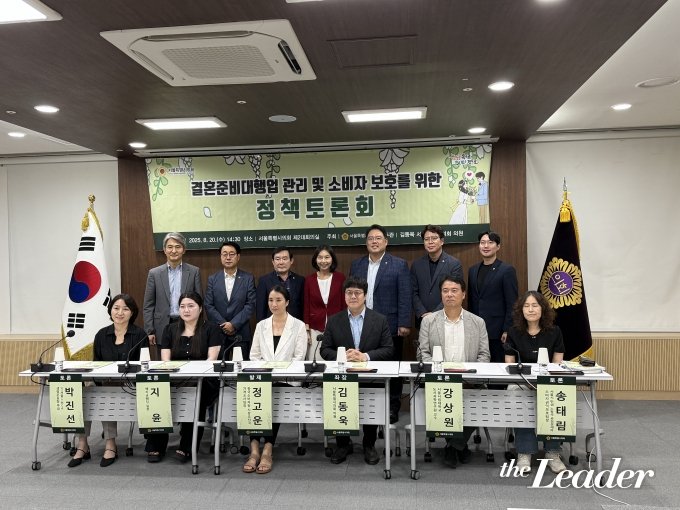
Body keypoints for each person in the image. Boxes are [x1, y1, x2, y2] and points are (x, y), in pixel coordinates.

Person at [68, 294, 148, 468]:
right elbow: (96, 364)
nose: (120, 312)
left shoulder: (139, 334)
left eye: (125, 309)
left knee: (105, 393)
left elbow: (144, 364)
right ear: (110, 310)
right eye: (116, 308)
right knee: (84, 391)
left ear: (132, 312)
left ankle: (110, 444)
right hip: (104, 381)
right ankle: (82, 443)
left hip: (129, 385)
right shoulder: (102, 335)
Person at [418, 276, 490, 468]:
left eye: (454, 290)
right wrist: (439, 373)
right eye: (445, 291)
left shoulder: (478, 322)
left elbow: (484, 355)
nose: (449, 294)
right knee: (444, 398)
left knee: (477, 403)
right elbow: (422, 353)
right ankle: (459, 446)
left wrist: (470, 375)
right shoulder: (429, 321)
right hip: (439, 380)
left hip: (469, 382)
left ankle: (453, 446)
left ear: (463, 294)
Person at [320, 277, 393, 465]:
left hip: (370, 377)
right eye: (349, 293)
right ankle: (343, 444)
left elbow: (388, 349)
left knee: (371, 404)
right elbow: (325, 350)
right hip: (343, 377)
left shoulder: (379, 320)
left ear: (365, 296)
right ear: (344, 296)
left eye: (357, 293)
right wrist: (342, 356)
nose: (353, 296)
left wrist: (365, 356)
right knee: (340, 401)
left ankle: (369, 444)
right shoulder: (334, 320)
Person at [145, 292, 222, 463]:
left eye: (191, 306)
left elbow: (211, 360)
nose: (186, 310)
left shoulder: (211, 329)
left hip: (203, 380)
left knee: (197, 394)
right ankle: (156, 444)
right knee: (156, 389)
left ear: (200, 309)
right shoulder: (170, 329)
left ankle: (188, 446)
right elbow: (165, 360)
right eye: (182, 306)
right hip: (176, 379)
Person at [243, 286, 307, 474]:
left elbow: (299, 358)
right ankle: (255, 449)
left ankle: (268, 449)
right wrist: (266, 371)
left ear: (287, 302)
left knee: (272, 393)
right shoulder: (261, 325)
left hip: (287, 379)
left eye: (278, 300)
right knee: (254, 391)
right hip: (264, 377)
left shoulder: (298, 326)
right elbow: (254, 356)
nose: (274, 304)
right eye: (271, 300)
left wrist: (277, 371)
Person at [350, 224, 411, 423]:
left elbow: (405, 294)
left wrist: (404, 322)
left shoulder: (399, 264)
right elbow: (352, 293)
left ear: (386, 241)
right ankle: (366, 406)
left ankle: (392, 406)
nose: (374, 242)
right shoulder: (357, 265)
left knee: (392, 367)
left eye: (378, 238)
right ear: (366, 242)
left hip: (390, 324)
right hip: (362, 324)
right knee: (364, 366)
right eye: (370, 238)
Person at [505, 291, 566, 475]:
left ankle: (553, 453)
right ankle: (524, 453)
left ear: (543, 309)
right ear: (521, 310)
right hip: (522, 382)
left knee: (555, 394)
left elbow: (557, 363)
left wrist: (545, 382)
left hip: (547, 381)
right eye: (526, 306)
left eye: (535, 305)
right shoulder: (514, 332)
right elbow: (510, 363)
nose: (530, 310)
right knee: (516, 392)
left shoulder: (555, 331)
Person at [143, 232, 202, 353]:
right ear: (164, 250)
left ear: (184, 250)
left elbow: (199, 302)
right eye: (170, 247)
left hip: (188, 324)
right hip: (162, 326)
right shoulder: (154, 273)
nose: (173, 251)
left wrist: (199, 327)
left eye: (178, 247)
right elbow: (148, 305)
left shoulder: (194, 271)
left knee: (187, 359)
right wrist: (150, 330)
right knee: (164, 362)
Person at [467, 231, 518, 363]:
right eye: (482, 242)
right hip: (476, 330)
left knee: (497, 367)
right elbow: (471, 301)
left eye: (490, 242)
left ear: (498, 246)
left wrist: (507, 330)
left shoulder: (506, 270)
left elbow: (512, 303)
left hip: (498, 332)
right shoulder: (472, 270)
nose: (486, 246)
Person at [205, 241, 256, 360]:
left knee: (241, 368)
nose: (228, 257)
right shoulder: (212, 279)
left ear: (238, 257)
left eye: (232, 254)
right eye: (224, 254)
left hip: (240, 332)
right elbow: (208, 305)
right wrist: (224, 324)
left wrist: (233, 324)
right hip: (218, 332)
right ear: (220, 257)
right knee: (219, 368)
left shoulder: (248, 278)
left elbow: (251, 304)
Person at [411, 224, 463, 329]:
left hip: (447, 319)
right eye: (426, 239)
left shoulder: (454, 264)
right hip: (422, 320)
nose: (430, 242)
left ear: (442, 241)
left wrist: (434, 314)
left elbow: (455, 292)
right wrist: (422, 313)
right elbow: (412, 292)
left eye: (434, 238)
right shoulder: (416, 265)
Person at [303, 245, 346, 361]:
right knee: (315, 360)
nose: (323, 261)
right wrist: (307, 329)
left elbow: (344, 304)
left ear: (332, 259)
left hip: (337, 326)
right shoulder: (309, 280)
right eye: (320, 257)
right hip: (315, 327)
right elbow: (306, 305)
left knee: (336, 360)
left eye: (327, 257)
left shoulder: (340, 278)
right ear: (315, 259)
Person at [256, 246, 305, 322]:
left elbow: (303, 307)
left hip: (295, 324)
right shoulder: (264, 281)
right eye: (277, 259)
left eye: (285, 259)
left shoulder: (300, 280)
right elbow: (260, 309)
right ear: (273, 262)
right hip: (272, 325)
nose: (281, 262)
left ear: (291, 260)